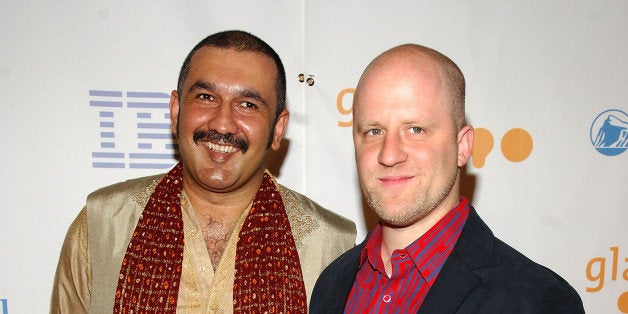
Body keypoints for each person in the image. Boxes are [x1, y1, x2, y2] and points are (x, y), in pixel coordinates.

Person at [50, 30, 356, 313]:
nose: (222, 123)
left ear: (278, 129)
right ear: (175, 110)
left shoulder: (331, 245)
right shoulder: (102, 225)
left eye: (248, 104)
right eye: (206, 97)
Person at [310, 44, 584, 313]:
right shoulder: (331, 284)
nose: (389, 155)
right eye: (373, 131)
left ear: (462, 147)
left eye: (415, 129)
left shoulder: (538, 301)